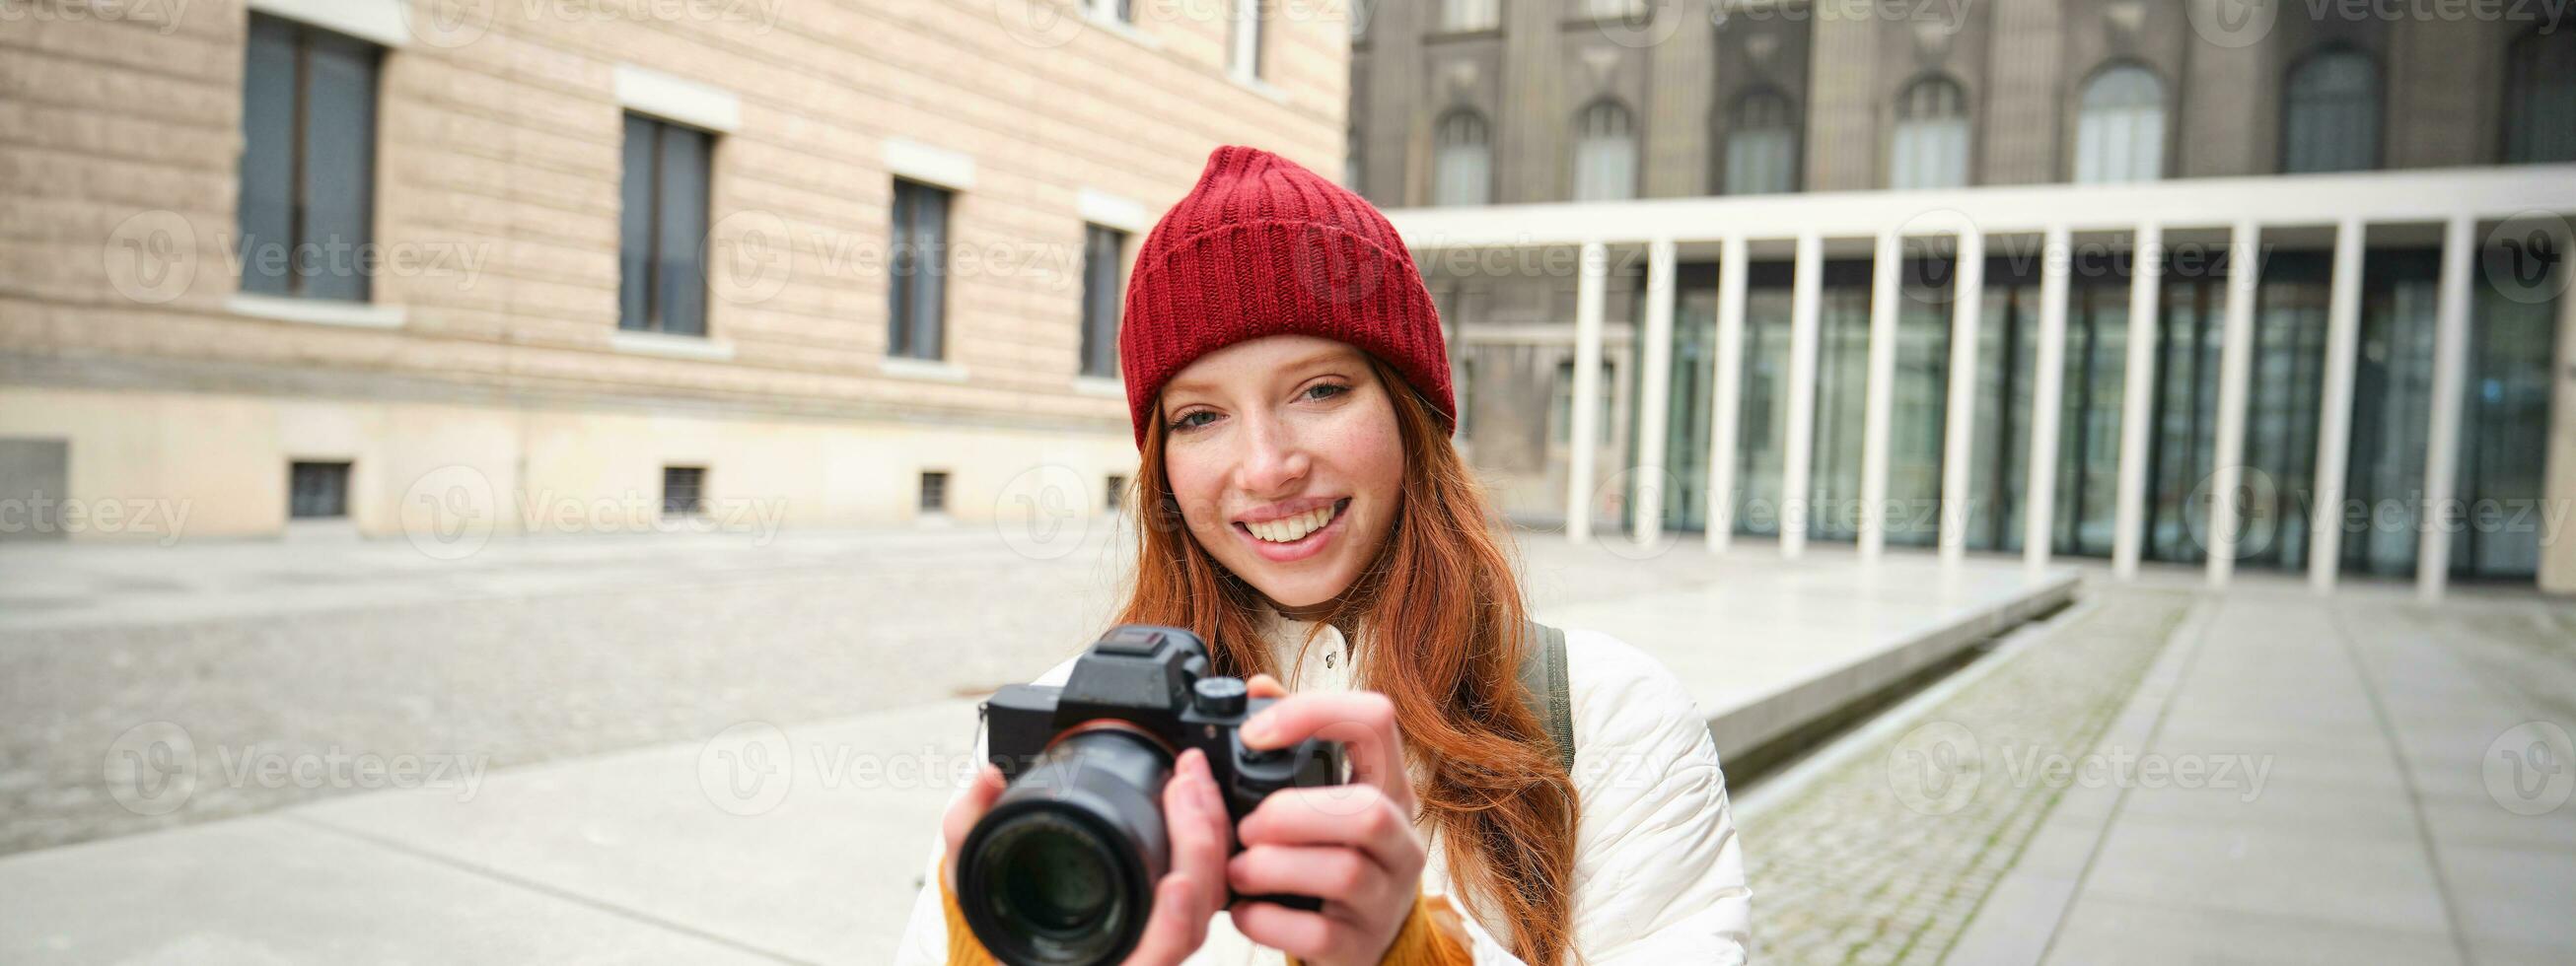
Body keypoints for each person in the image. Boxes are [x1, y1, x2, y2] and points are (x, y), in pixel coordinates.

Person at [894, 145, 1750, 965]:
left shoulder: (1610, 719)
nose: (1266, 466)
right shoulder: (1056, 739)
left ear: (1411, 411)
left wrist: (1412, 954)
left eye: (1320, 390)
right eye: (1199, 416)